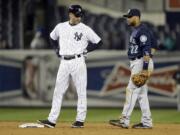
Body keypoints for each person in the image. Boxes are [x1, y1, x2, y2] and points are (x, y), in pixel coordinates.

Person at [38, 5, 102, 128]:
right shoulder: (60, 27)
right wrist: (56, 48)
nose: (79, 17)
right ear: (70, 14)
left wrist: (86, 50)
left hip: (78, 61)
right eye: (77, 15)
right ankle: (51, 120)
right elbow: (52, 37)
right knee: (58, 91)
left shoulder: (85, 29)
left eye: (80, 15)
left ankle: (80, 120)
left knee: (81, 91)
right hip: (64, 62)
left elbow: (99, 42)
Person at [109, 9, 157, 129]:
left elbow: (147, 50)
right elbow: (155, 44)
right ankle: (147, 122)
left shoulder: (142, 31)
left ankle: (124, 120)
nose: (128, 19)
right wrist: (149, 59)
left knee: (131, 89)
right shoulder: (139, 30)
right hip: (140, 62)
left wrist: (145, 67)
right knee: (142, 94)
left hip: (141, 63)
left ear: (136, 17)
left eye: (129, 17)